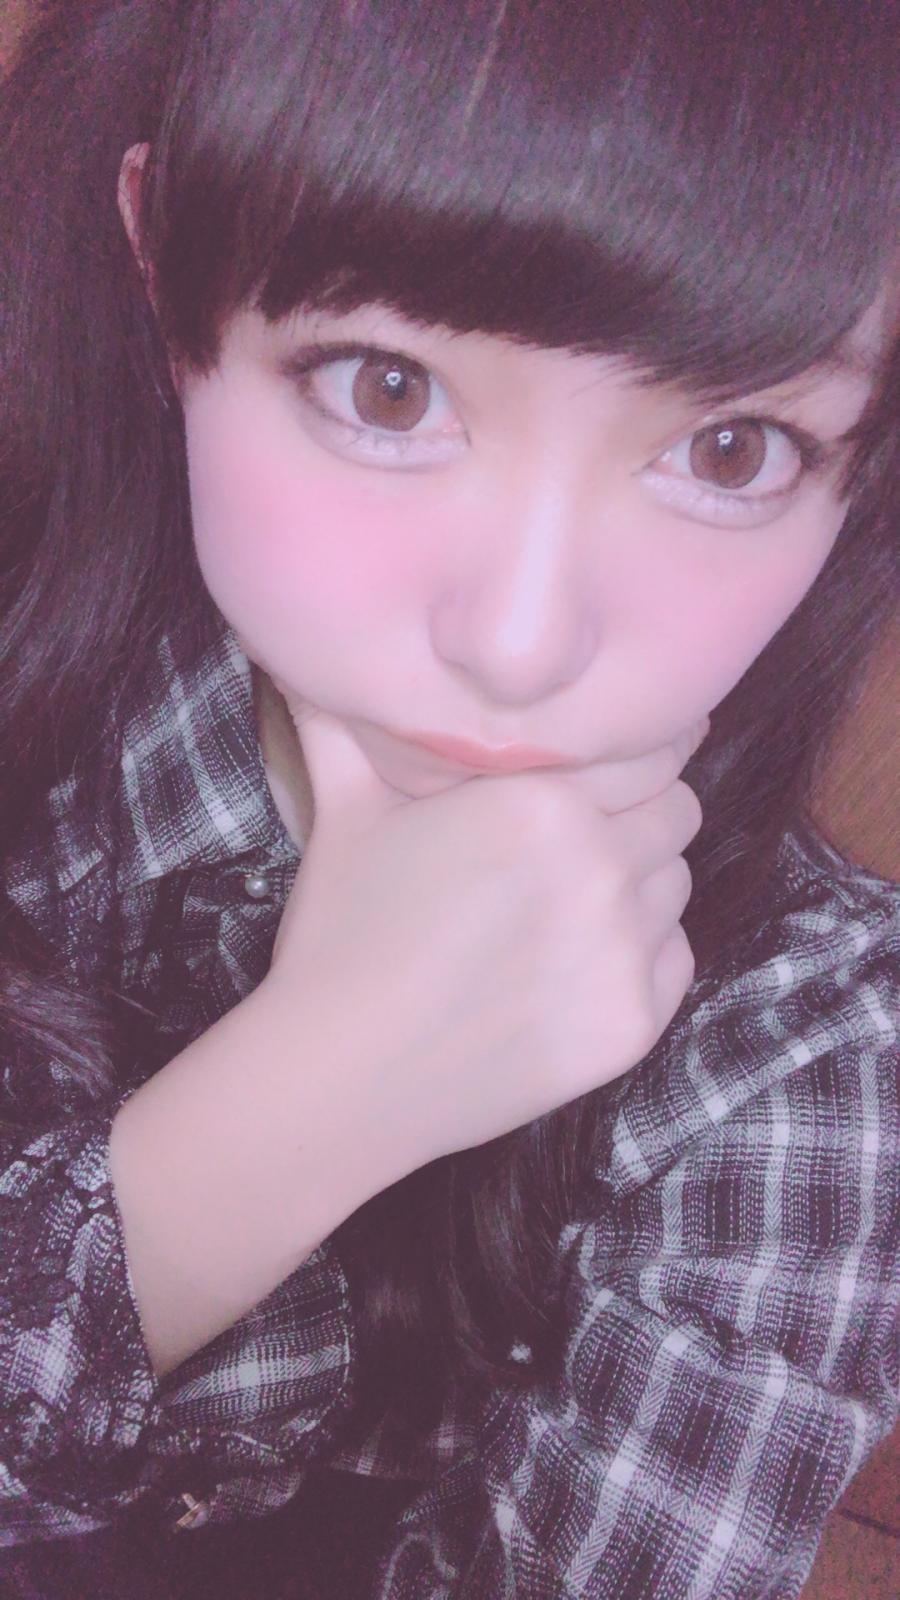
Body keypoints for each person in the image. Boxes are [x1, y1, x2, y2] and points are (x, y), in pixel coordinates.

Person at [1, 2, 897, 1596]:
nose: (521, 641)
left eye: (733, 449)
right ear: (157, 258)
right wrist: (311, 1096)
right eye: (391, 391)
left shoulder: (811, 1043)